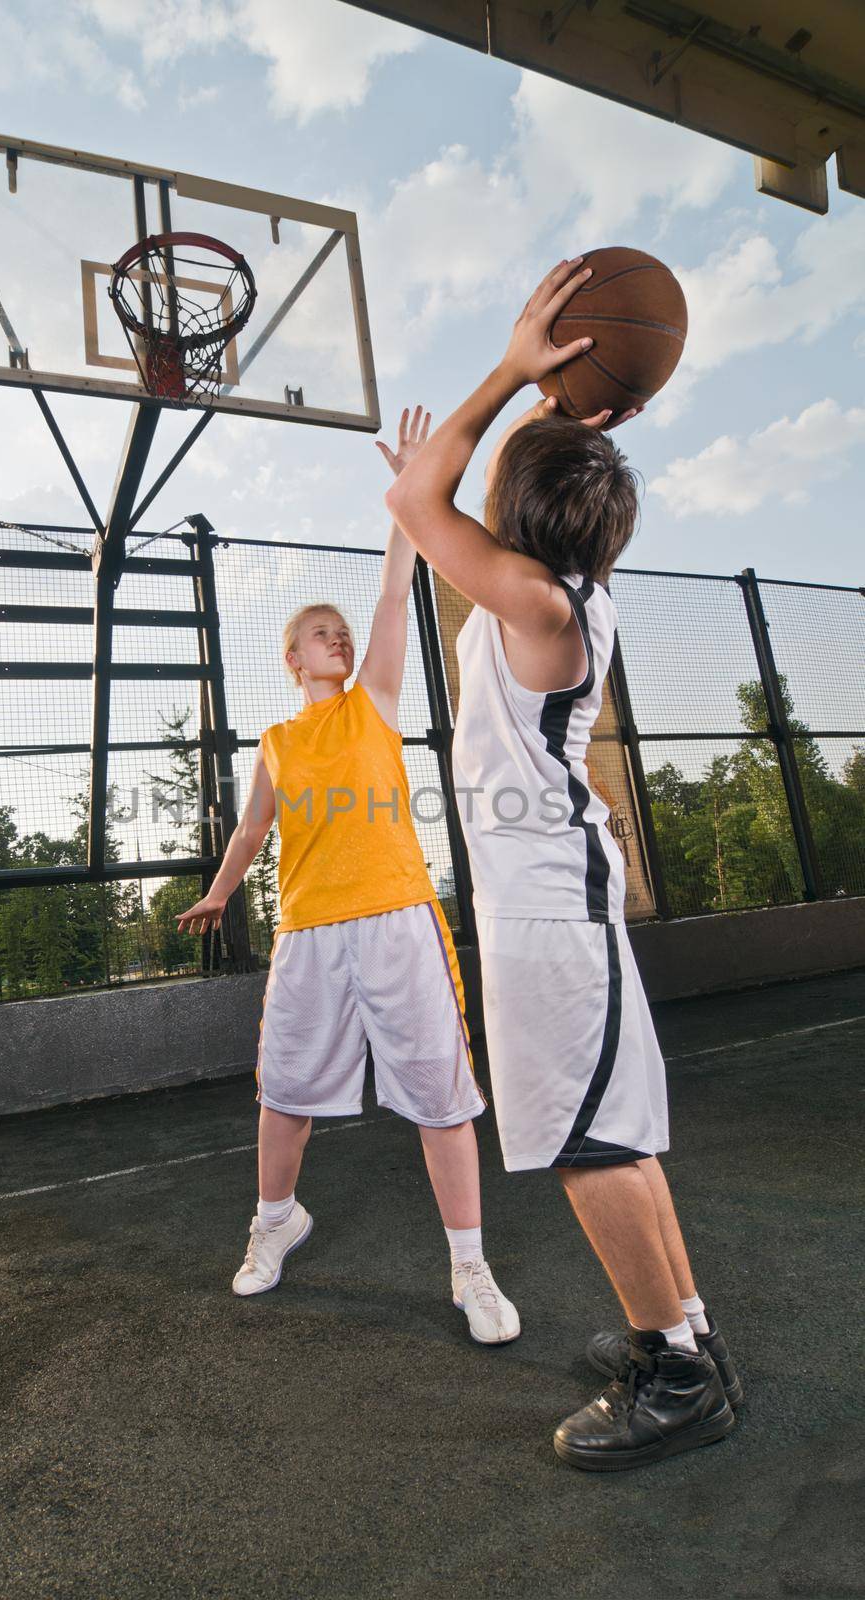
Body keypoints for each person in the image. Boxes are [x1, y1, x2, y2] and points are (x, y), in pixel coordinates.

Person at [385, 257, 742, 1471]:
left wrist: (509, 365)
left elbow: (419, 499)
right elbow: (503, 488)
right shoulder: (567, 591)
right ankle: (682, 1331)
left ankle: (678, 1376)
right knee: (617, 1132)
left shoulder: (531, 600)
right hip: (562, 905)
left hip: (547, 917)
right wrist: (578, 406)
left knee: (590, 1144)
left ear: (519, 514)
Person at [175, 407, 518, 1345]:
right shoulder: (280, 742)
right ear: (292, 660)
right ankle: (275, 1220)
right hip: (308, 931)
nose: (335, 636)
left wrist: (408, 499)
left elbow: (392, 587)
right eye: (318, 633)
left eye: (338, 629)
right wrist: (217, 890)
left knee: (439, 1095)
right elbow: (251, 832)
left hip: (397, 917)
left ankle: (468, 1265)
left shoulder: (374, 700)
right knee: (283, 1092)